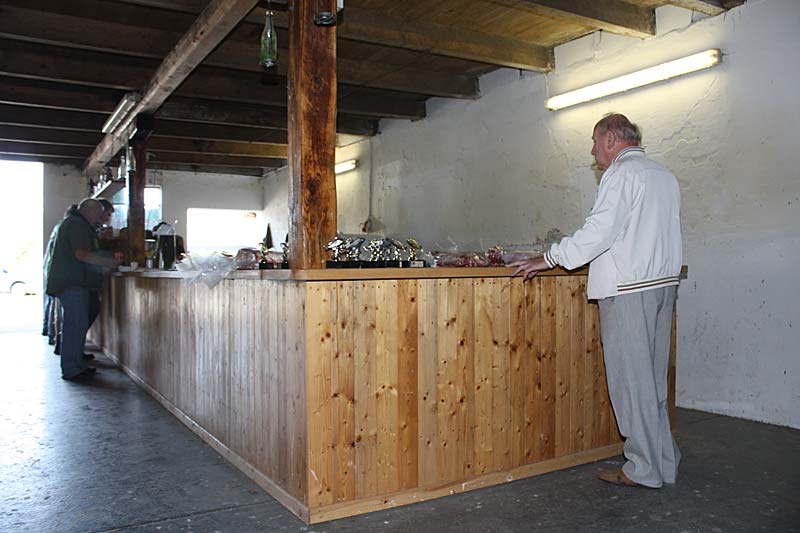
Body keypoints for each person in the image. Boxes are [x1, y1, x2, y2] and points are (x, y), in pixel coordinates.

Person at [511, 113, 682, 489]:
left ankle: (642, 469)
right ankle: (664, 463)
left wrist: (550, 257)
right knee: (653, 384)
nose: (592, 151)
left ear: (610, 139)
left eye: (594, 142)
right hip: (661, 286)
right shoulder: (663, 175)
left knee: (631, 383)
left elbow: (599, 232)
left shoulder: (620, 174)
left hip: (628, 289)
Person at [45, 198, 120, 381]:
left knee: (76, 326)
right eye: (98, 214)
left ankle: (75, 364)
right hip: (72, 283)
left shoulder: (73, 223)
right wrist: (108, 262)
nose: (99, 219)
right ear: (89, 211)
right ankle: (72, 369)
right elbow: (81, 254)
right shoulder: (77, 225)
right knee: (75, 326)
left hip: (72, 282)